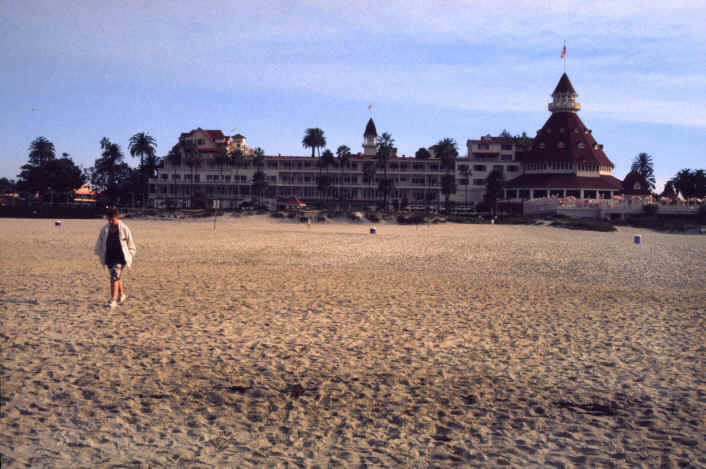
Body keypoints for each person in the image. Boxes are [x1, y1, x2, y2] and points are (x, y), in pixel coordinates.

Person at [94, 208, 136, 308]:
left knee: (114, 276)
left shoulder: (124, 228)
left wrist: (130, 254)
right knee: (116, 276)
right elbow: (100, 241)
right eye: (109, 220)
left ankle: (113, 300)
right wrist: (98, 252)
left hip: (120, 256)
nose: (111, 222)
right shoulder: (105, 229)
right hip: (109, 256)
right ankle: (122, 294)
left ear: (117, 218)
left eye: (113, 220)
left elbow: (131, 243)